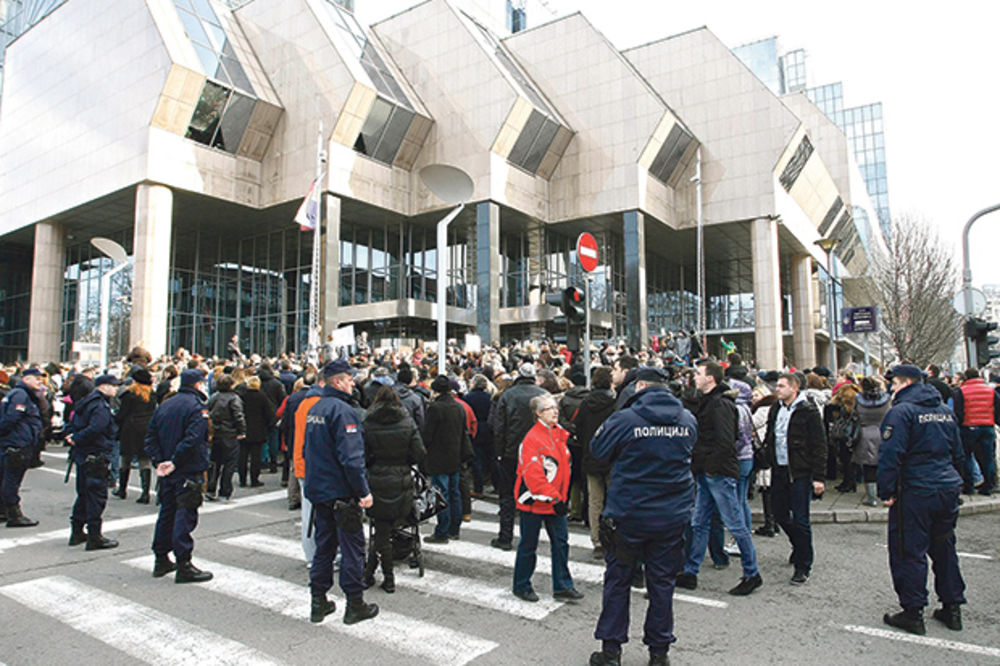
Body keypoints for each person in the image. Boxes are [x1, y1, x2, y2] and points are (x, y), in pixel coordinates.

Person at [588, 367, 698, 666]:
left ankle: (611, 651)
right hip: (671, 515)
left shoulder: (626, 419)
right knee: (662, 585)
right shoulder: (687, 419)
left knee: (618, 582)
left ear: (641, 387)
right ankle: (659, 654)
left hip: (629, 514)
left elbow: (597, 450)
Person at [878, 364, 966, 635]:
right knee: (944, 547)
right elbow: (958, 452)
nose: (891, 388)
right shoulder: (943, 411)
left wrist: (886, 491)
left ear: (905, 382)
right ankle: (952, 608)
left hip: (916, 490)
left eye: (893, 383)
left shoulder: (901, 412)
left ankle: (913, 612)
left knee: (909, 550)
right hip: (946, 486)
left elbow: (891, 456)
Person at [676, 362, 761, 596]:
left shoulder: (719, 404)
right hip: (708, 470)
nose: (694, 377)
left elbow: (726, 440)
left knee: (734, 523)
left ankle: (752, 574)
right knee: (699, 522)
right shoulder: (711, 401)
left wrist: (711, 468)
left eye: (699, 373)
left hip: (717, 472)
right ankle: (690, 572)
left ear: (711, 378)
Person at [303, 360, 378, 625]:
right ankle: (354, 604)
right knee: (352, 548)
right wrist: (362, 491)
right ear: (337, 381)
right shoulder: (343, 411)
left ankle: (318, 601)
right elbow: (351, 458)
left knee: (324, 548)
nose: (353, 383)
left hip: (320, 491)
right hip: (341, 493)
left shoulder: (316, 408)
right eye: (349, 379)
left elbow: (307, 451)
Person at [511, 393, 583, 603]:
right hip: (535, 501)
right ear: (538, 413)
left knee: (561, 543)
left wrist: (561, 497)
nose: (556, 411)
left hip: (554, 500)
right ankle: (521, 584)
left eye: (555, 407)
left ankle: (562, 585)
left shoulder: (558, 434)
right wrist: (556, 498)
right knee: (529, 545)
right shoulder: (532, 439)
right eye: (550, 408)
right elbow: (534, 476)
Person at [144, 369, 214, 583]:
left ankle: (161, 557)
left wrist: (160, 461)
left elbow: (151, 436)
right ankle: (183, 563)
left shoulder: (166, 404)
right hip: (186, 468)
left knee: (167, 513)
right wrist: (174, 462)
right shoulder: (196, 407)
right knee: (184, 515)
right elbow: (193, 439)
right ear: (198, 384)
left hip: (168, 469)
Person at [762, 372, 827, 584]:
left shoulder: (807, 411)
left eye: (781, 386)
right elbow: (772, 436)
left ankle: (803, 565)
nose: (777, 389)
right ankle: (798, 545)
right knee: (779, 513)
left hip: (800, 471)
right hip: (779, 469)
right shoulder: (776, 408)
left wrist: (819, 477)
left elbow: (819, 445)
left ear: (794, 388)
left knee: (801, 519)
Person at [362, 385, 426, 593]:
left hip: (378, 479)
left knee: (381, 530)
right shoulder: (407, 422)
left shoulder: (368, 422)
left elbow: (362, 453)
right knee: (385, 530)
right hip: (401, 479)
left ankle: (382, 576)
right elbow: (418, 453)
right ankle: (374, 574)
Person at [489, 363, 546, 550]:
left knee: (507, 495)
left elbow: (499, 428)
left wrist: (499, 452)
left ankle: (505, 538)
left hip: (512, 453)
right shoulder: (543, 395)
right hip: (539, 453)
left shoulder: (508, 395)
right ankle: (531, 538)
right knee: (536, 495)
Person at [65, 374, 121, 549]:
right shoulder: (99, 405)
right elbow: (98, 427)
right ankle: (94, 536)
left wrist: (73, 437)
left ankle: (77, 531)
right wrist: (77, 438)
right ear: (103, 387)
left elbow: (73, 422)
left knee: (83, 494)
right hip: (95, 454)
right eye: (113, 385)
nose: (116, 389)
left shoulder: (85, 402)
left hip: (84, 455)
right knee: (96, 496)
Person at [575, 366, 617, 559]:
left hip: (591, 456)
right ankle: (614, 537)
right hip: (612, 458)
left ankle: (597, 540)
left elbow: (580, 430)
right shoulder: (615, 403)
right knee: (615, 499)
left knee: (594, 501)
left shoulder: (585, 404)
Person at [422, 375, 470, 543]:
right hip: (455, 456)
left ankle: (442, 531)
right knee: (454, 493)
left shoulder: (435, 408)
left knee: (442, 495)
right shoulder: (458, 407)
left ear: (435, 391)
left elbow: (427, 435)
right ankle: (454, 529)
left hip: (438, 456)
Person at [0, 367, 45, 527]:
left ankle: (3, 511)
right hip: (17, 443)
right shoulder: (21, 395)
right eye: (37, 378)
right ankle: (14, 514)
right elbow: (11, 418)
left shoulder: (19, 394)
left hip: (14, 442)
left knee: (6, 478)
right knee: (12, 479)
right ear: (26, 380)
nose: (40, 381)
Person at [113, 368, 158, 504]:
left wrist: (115, 421)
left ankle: (122, 489)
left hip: (130, 428)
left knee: (126, 458)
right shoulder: (152, 395)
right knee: (145, 461)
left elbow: (122, 413)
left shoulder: (130, 394)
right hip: (146, 428)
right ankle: (145, 493)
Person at [952, 367, 998, 496]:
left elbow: (958, 411)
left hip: (969, 427)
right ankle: (988, 485)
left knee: (967, 456)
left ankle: (969, 485)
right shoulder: (990, 390)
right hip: (987, 426)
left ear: (966, 377)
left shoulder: (961, 391)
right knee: (987, 457)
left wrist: (960, 424)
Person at [205, 374, 246, 502]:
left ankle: (210, 489)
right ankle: (224, 491)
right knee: (229, 464)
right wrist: (242, 431)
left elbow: (208, 412)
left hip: (216, 433)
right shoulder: (234, 398)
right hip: (230, 433)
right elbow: (238, 416)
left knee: (215, 463)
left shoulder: (214, 397)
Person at [853, 377, 892, 507]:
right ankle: (885, 493)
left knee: (868, 466)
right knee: (883, 464)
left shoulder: (858, 399)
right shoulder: (886, 399)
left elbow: (854, 415)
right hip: (882, 432)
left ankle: (871, 497)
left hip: (864, 434)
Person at [239, 375, 275, 488]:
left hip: (244, 428)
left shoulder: (242, 396)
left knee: (243, 456)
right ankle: (254, 479)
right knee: (256, 457)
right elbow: (269, 413)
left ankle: (242, 479)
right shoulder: (262, 396)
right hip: (258, 429)